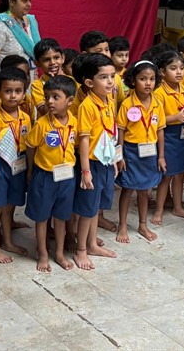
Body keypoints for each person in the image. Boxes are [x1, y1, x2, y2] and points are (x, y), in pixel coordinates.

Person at [24, 75, 78, 272]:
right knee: (42, 217)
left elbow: (75, 146)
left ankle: (60, 253)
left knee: (62, 217)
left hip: (67, 177)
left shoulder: (74, 122)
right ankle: (43, 253)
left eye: (56, 97)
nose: (49, 102)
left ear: (70, 101)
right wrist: (31, 170)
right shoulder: (42, 125)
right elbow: (30, 146)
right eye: (47, 97)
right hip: (45, 176)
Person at [72, 53, 119, 270]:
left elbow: (110, 134)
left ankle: (92, 243)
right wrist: (85, 171)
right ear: (89, 82)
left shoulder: (109, 100)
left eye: (112, 76)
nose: (110, 81)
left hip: (105, 161)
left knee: (97, 205)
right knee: (87, 209)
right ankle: (81, 249)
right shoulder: (87, 106)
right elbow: (83, 140)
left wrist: (115, 160)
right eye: (103, 77)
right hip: (90, 163)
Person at [0, 67, 31, 264]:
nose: (13, 96)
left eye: (18, 91)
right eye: (8, 91)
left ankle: (8, 242)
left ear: (23, 92)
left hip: (18, 166)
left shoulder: (25, 117)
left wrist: (30, 171)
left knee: (10, 207)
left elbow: (28, 146)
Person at [115, 60, 166, 243]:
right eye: (143, 79)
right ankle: (122, 225)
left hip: (150, 152)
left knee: (145, 190)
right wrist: (120, 156)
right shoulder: (128, 104)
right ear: (133, 80)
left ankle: (142, 224)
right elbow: (120, 130)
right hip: (131, 151)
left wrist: (161, 156)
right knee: (128, 189)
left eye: (152, 79)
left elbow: (160, 130)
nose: (148, 83)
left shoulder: (157, 104)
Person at [151, 51, 184, 225]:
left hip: (183, 137)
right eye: (173, 68)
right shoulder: (159, 93)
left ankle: (177, 207)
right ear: (162, 72)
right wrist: (175, 118)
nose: (179, 72)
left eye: (181, 68)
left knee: (179, 175)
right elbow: (155, 120)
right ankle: (159, 210)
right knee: (166, 176)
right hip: (167, 138)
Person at [31, 38, 71, 117]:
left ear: (62, 58)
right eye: (47, 60)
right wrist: (55, 84)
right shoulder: (37, 85)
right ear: (37, 63)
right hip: (47, 127)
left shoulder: (72, 80)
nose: (52, 63)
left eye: (56, 58)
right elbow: (44, 111)